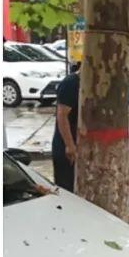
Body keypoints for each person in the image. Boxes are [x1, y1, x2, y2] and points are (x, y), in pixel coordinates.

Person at [51, 63, 80, 192]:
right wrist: (70, 145)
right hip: (66, 146)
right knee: (66, 189)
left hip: (79, 144)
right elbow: (62, 115)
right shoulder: (71, 83)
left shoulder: (90, 85)